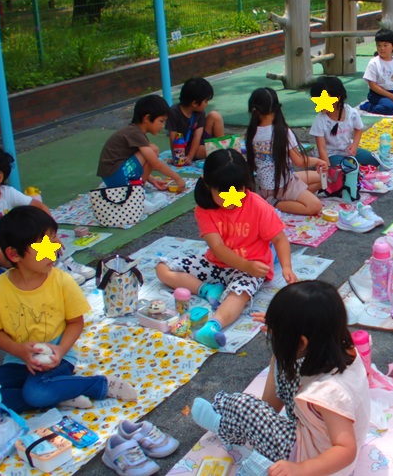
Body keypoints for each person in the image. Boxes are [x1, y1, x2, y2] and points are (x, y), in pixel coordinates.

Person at [190, 281, 370, 476]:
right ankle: (264, 420)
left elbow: (345, 450)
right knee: (284, 359)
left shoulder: (329, 392)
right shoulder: (340, 347)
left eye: (277, 334)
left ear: (302, 342)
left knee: (243, 406)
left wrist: (300, 469)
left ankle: (227, 427)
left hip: (316, 462)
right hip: (317, 437)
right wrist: (286, 331)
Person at [0, 206, 137, 413]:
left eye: (54, 240)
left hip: (58, 359)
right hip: (18, 361)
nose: (54, 249)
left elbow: (75, 322)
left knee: (36, 393)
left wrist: (60, 350)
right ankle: (60, 394)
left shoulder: (62, 281)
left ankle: (98, 385)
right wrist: (19, 351)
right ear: (14, 254)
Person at [156, 149, 296, 349]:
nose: (231, 199)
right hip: (217, 263)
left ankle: (213, 325)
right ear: (207, 185)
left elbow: (279, 239)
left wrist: (286, 267)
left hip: (250, 269)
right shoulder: (205, 209)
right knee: (163, 268)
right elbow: (217, 248)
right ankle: (207, 290)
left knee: (239, 294)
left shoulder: (257, 206)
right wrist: (245, 265)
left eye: (237, 192)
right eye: (224, 193)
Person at [0, 144, 51, 269]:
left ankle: (40, 261)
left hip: (8, 242)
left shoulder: (8, 193)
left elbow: (40, 207)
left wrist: (50, 236)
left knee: (30, 238)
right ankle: (29, 267)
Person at [246, 88, 325, 216]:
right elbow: (299, 161)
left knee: (321, 177)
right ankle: (273, 202)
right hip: (283, 186)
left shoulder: (252, 132)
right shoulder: (282, 132)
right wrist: (318, 161)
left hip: (267, 186)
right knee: (315, 206)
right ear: (277, 108)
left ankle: (288, 199)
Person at [97, 94, 187, 192]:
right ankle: (137, 188)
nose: (162, 126)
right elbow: (156, 163)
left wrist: (152, 180)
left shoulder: (133, 131)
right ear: (147, 118)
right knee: (153, 150)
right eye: (161, 121)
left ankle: (138, 184)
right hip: (116, 177)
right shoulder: (135, 133)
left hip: (113, 177)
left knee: (150, 150)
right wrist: (177, 178)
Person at [309, 76, 378, 168]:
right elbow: (322, 149)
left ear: (337, 98)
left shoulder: (351, 113)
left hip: (347, 150)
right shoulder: (320, 120)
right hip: (331, 154)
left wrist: (354, 145)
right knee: (348, 168)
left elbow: (358, 128)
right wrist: (328, 168)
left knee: (374, 160)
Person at [166, 77, 225, 162]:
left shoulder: (200, 113)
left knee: (215, 116)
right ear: (194, 103)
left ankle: (222, 144)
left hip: (199, 140)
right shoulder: (174, 112)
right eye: (206, 101)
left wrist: (191, 156)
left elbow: (198, 136)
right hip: (185, 147)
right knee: (207, 150)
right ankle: (221, 151)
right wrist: (179, 157)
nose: (207, 104)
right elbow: (173, 138)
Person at [358, 29, 393, 115]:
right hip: (377, 94)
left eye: (385, 45)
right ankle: (368, 106)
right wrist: (391, 96)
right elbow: (372, 85)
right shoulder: (374, 62)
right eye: (379, 45)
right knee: (390, 108)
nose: (382, 48)